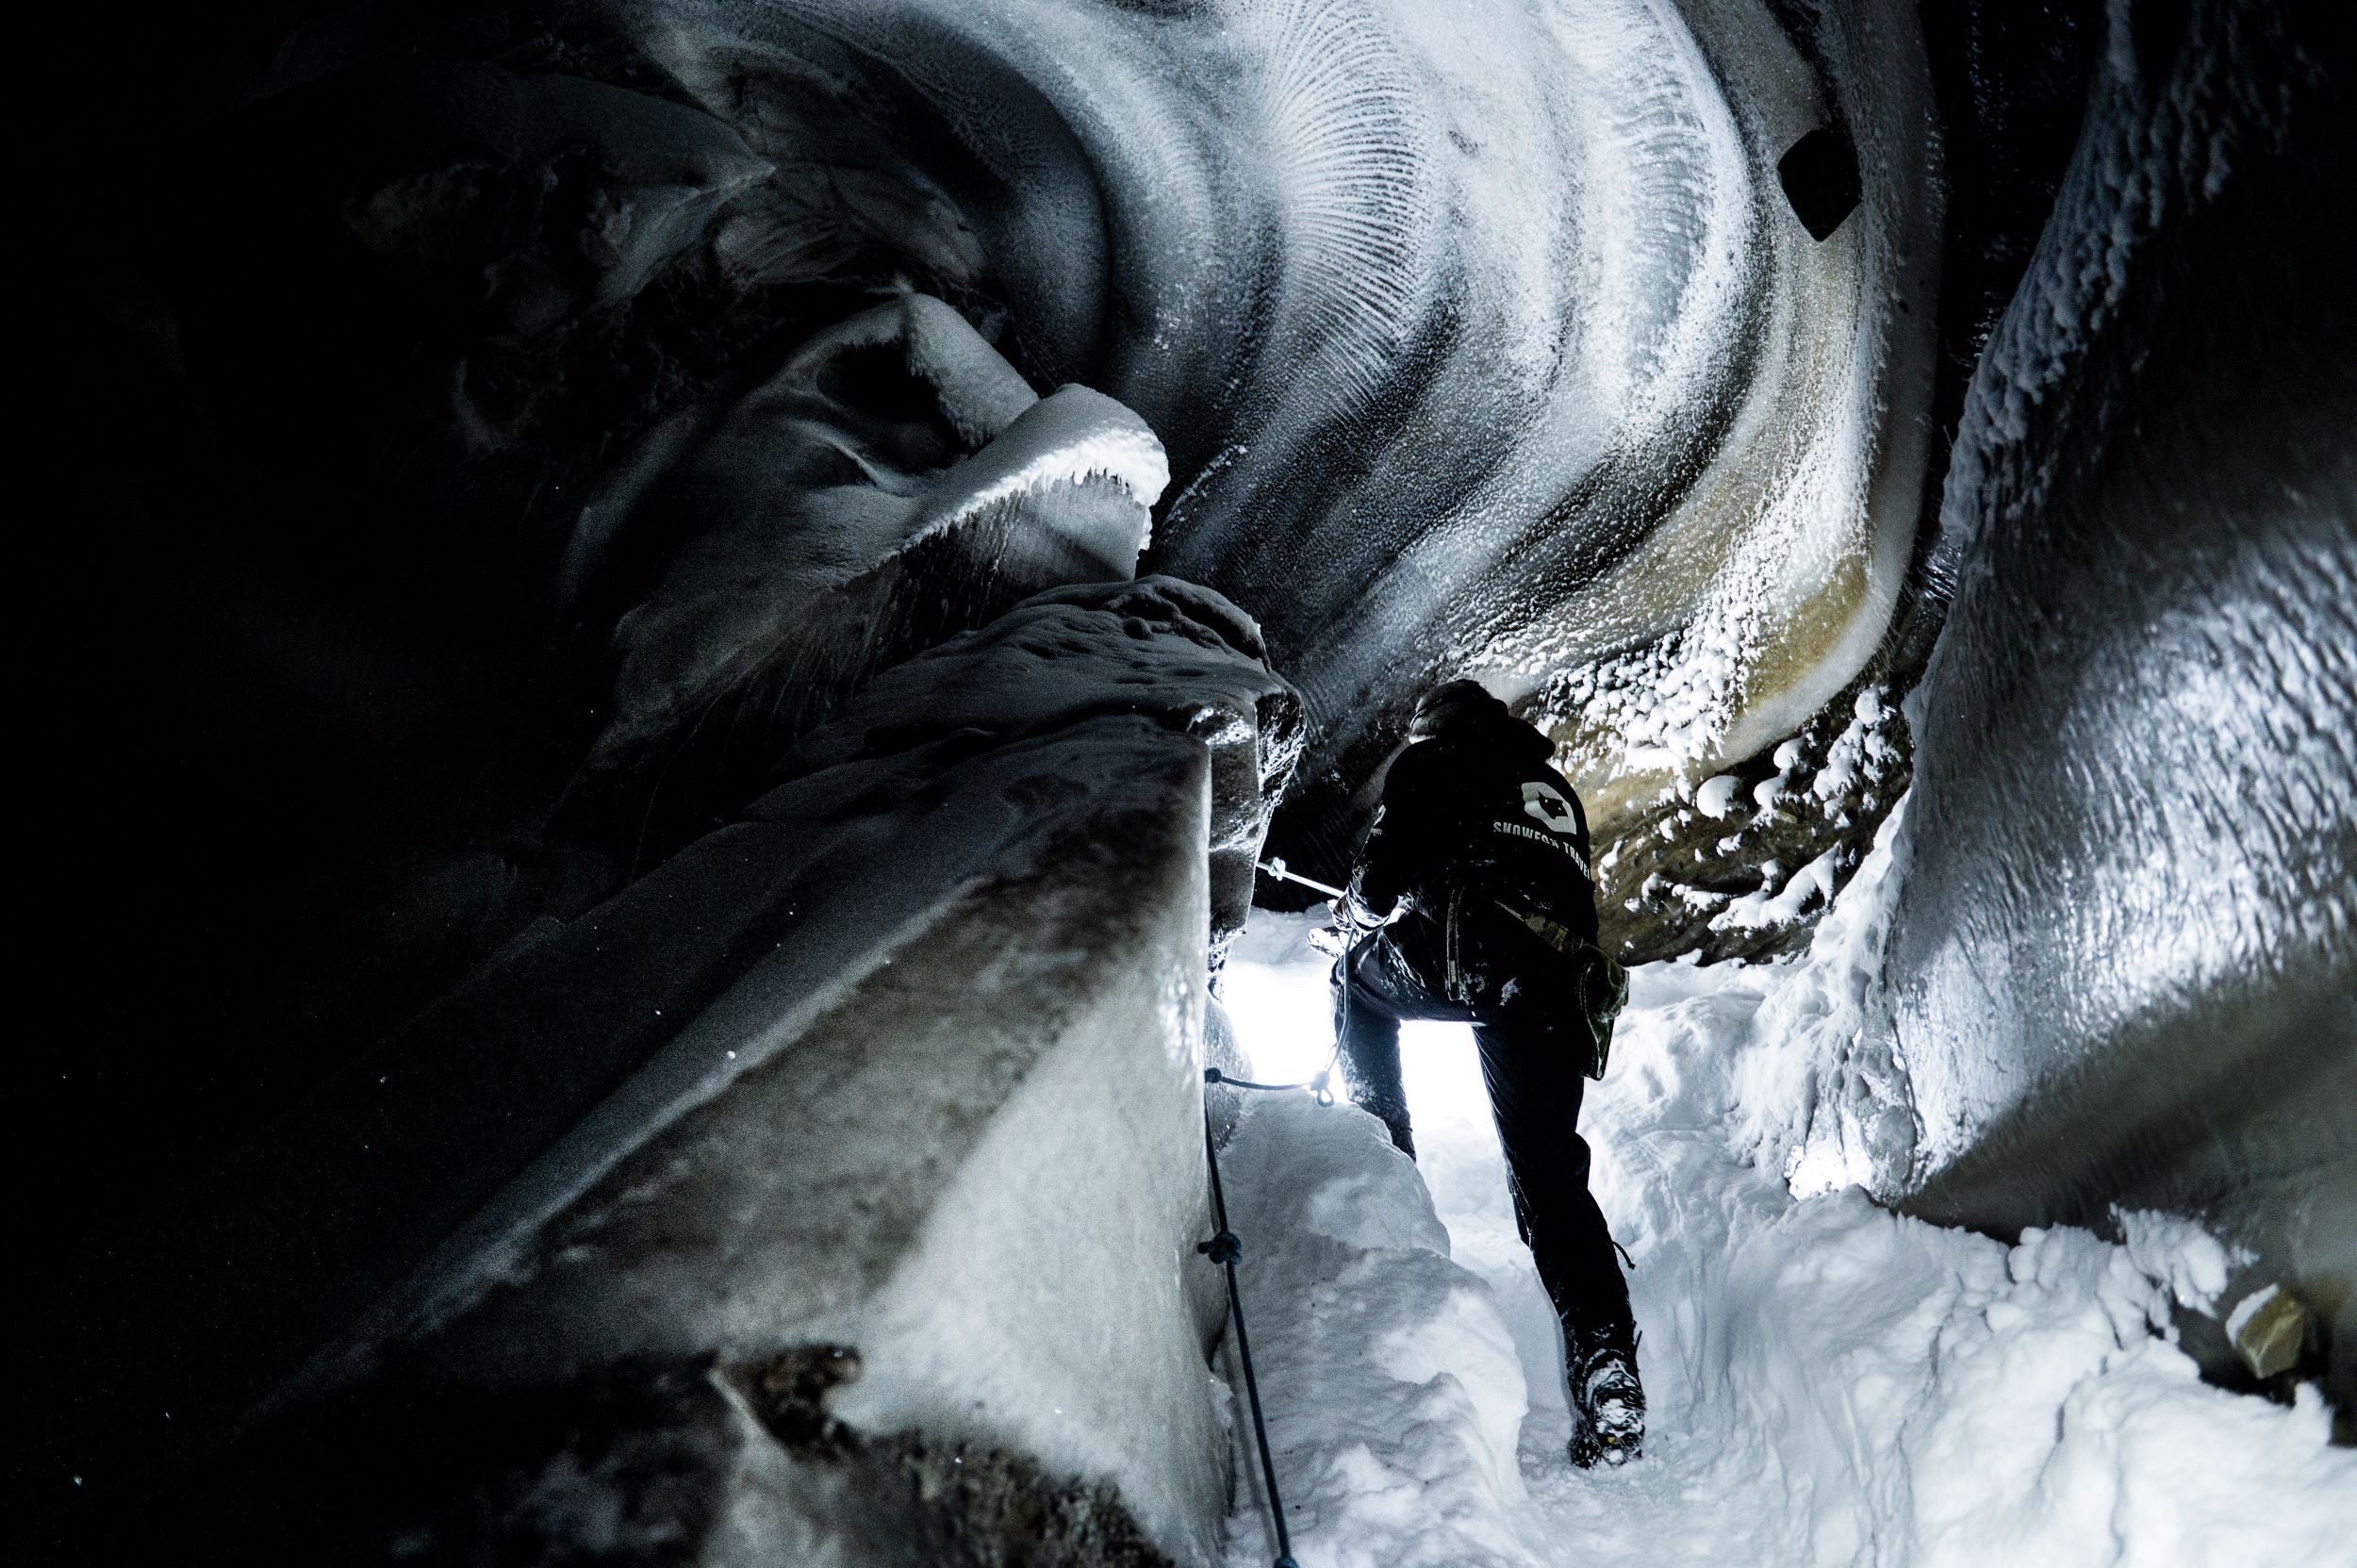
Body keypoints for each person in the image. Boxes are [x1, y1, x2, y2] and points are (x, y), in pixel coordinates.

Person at [1327, 679, 1641, 1466]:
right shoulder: (1552, 788)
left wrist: (1355, 921)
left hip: (1476, 961)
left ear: (1434, 727)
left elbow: (1378, 880)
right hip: (1558, 993)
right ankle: (1607, 1366)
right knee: (1548, 1182)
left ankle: (1382, 1166)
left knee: (1354, 984)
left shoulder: (1433, 761)